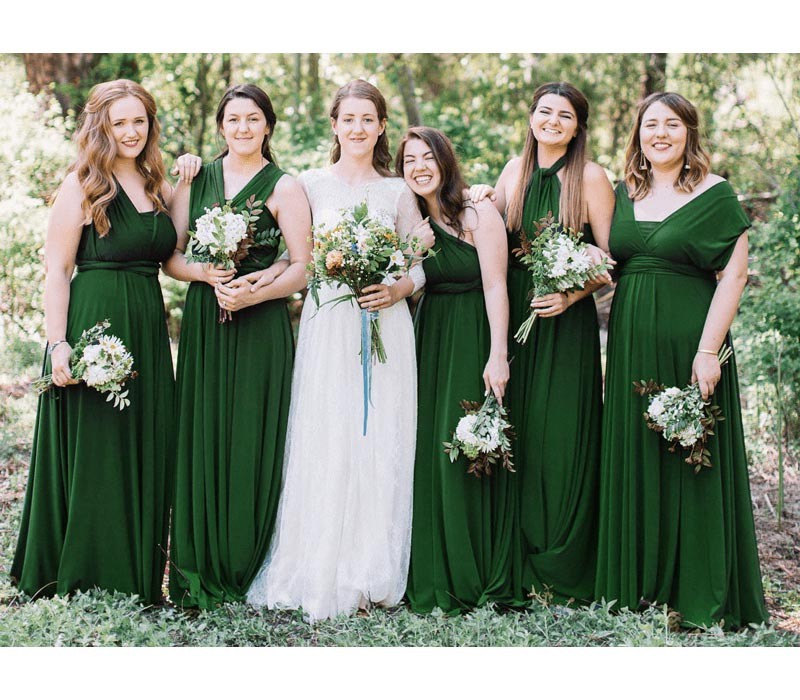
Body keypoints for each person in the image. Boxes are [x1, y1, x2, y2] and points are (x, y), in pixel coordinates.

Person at [246, 79, 433, 622]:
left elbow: (422, 255)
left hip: (384, 325)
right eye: (347, 119)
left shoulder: (398, 190)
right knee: (328, 434)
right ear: (334, 125)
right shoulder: (308, 184)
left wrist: (400, 287)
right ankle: (316, 560)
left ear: (380, 128)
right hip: (328, 326)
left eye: (367, 119)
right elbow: (295, 257)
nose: (357, 128)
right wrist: (258, 282)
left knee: (379, 437)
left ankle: (371, 566)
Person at [595, 92, 769, 628]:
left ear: (690, 132)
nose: (661, 134)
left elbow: (733, 276)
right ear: (638, 135)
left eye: (672, 124)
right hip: (629, 348)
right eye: (651, 125)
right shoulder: (624, 192)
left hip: (692, 344)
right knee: (638, 454)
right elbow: (596, 257)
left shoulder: (715, 194)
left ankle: (695, 590)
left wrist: (708, 350)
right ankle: (640, 586)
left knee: (694, 456)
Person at [11, 79, 176, 603]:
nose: (130, 131)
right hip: (95, 326)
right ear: (101, 126)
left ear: (150, 125)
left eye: (139, 121)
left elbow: (177, 248)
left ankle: (134, 572)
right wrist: (58, 344)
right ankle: (83, 570)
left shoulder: (157, 183)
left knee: (143, 442)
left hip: (147, 326)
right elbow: (57, 270)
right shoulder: (82, 183)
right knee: (98, 444)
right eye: (119, 122)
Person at [164, 85, 311, 609]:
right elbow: (171, 256)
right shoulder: (194, 177)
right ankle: (199, 558)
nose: (243, 128)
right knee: (204, 430)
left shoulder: (285, 187)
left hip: (261, 323)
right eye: (233, 119)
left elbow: (302, 267)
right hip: (208, 319)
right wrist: (205, 273)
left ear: (268, 126)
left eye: (253, 119)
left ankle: (248, 556)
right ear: (221, 125)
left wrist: (255, 294)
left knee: (251, 432)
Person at [471, 82, 615, 604]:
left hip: (565, 327)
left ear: (578, 126)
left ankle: (561, 564)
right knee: (522, 432)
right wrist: (480, 198)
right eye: (544, 111)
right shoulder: (515, 169)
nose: (552, 121)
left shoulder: (592, 178)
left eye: (565, 115)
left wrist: (571, 296)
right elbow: (493, 237)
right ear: (531, 117)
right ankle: (518, 557)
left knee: (561, 436)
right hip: (516, 320)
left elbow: (608, 259)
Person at [397, 126, 518, 613]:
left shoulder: (477, 212)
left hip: (472, 334)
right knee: (430, 446)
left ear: (445, 162)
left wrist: (497, 353)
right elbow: (398, 280)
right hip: (428, 338)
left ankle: (472, 566)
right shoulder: (410, 220)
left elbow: (496, 286)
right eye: (409, 160)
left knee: (468, 442)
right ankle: (431, 566)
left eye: (428, 157)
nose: (419, 167)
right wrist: (412, 249)